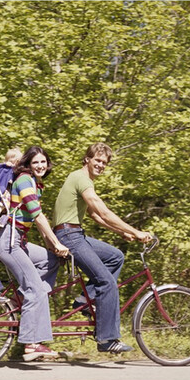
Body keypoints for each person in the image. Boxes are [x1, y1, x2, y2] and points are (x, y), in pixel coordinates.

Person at [51, 142, 154, 355]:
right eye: (97, 160)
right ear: (87, 159)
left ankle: (85, 300)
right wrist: (135, 232)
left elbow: (94, 215)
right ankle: (107, 339)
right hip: (69, 236)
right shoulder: (81, 179)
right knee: (107, 282)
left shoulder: (82, 179)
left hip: (75, 233)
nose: (101, 165)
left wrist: (121, 233)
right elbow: (103, 211)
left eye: (104, 163)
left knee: (115, 256)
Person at [0, 146, 70, 361]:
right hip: (8, 241)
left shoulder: (36, 184)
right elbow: (38, 216)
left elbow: (38, 224)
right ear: (28, 164)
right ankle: (31, 344)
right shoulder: (25, 180)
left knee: (51, 260)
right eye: (35, 162)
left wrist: (54, 248)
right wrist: (57, 242)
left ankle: (26, 301)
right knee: (37, 289)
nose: (40, 166)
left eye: (43, 162)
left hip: (18, 241)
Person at [0, 147, 23, 229]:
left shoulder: (1, 168)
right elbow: (7, 180)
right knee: (5, 201)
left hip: (0, 192)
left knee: (7, 205)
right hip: (2, 193)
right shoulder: (6, 169)